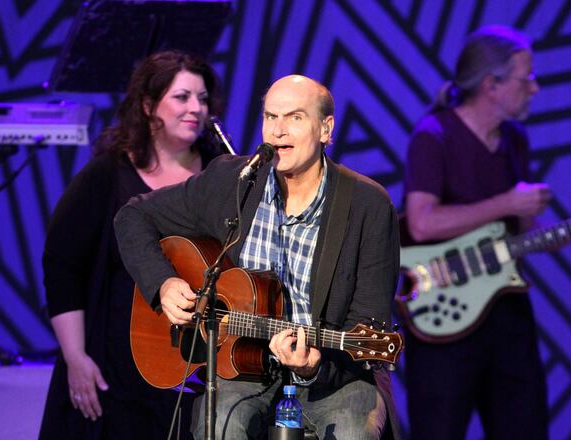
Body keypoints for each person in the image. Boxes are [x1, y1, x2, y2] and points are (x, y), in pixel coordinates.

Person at [113, 74, 401, 439]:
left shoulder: (368, 206)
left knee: (352, 431)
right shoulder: (233, 181)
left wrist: (313, 368)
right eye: (270, 117)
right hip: (239, 371)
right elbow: (133, 216)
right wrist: (163, 284)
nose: (278, 131)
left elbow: (367, 320)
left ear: (326, 129)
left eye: (294, 118)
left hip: (332, 373)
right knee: (219, 426)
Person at [402, 25, 571, 439]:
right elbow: (421, 223)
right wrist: (507, 203)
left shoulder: (514, 138)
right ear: (491, 84)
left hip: (506, 315)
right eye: (526, 77)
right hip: (444, 321)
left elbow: (527, 234)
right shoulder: (433, 134)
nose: (535, 87)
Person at [39, 50, 225, 439]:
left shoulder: (221, 171)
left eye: (203, 98)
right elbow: (63, 266)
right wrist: (76, 358)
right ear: (147, 104)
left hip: (197, 367)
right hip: (115, 370)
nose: (196, 108)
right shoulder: (108, 174)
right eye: (182, 97)